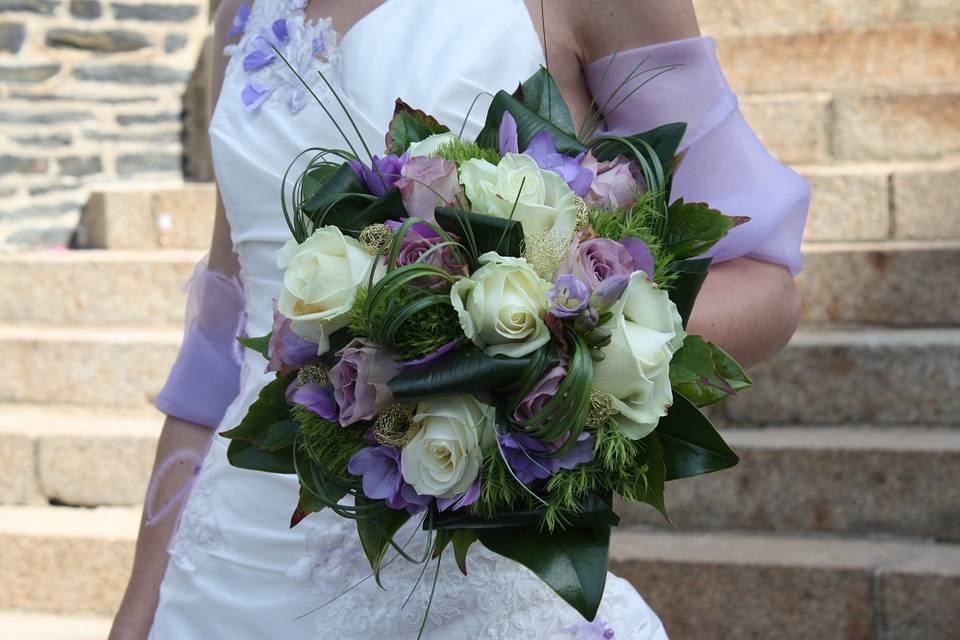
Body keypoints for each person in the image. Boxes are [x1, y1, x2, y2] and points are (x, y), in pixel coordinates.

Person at [109, 1, 808, 638]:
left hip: (463, 580)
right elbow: (217, 348)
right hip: (221, 584)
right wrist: (140, 608)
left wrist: (552, 352)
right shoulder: (239, 8)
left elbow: (763, 281)